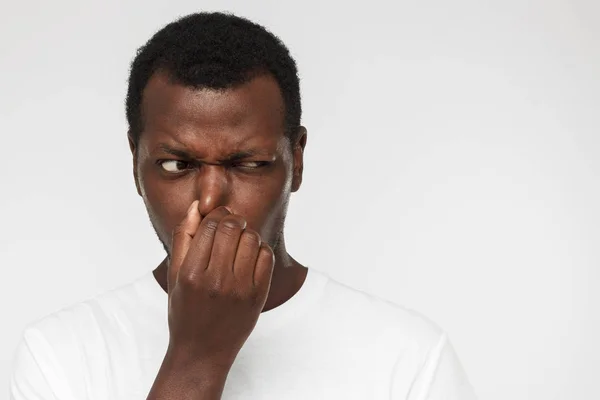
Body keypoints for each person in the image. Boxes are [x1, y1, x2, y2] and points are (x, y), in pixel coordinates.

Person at [9, 12, 477, 400]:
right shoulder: (59, 356)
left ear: (295, 158)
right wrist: (195, 358)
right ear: (136, 164)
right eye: (176, 165)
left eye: (249, 163)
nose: (211, 198)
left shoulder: (409, 356)